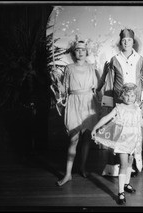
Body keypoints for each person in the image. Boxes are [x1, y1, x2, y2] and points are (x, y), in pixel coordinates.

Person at [97, 28, 143, 177]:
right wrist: (108, 105)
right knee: (118, 133)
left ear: (133, 42)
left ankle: (131, 166)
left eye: (129, 40)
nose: (126, 42)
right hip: (118, 102)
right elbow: (109, 83)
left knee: (135, 132)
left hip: (136, 102)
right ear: (120, 42)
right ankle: (115, 167)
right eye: (123, 40)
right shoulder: (115, 59)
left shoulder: (140, 59)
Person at [91, 83, 143, 205]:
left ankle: (126, 184)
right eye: (127, 95)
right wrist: (95, 128)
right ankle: (120, 192)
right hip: (123, 141)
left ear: (135, 97)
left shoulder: (137, 109)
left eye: (132, 96)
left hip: (134, 141)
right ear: (122, 96)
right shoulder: (119, 108)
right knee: (123, 165)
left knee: (130, 163)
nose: (129, 98)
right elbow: (106, 118)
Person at [56, 39, 100, 186]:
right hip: (74, 102)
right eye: (77, 49)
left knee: (86, 138)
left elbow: (96, 87)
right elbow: (65, 90)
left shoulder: (92, 68)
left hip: (88, 102)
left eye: (83, 49)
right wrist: (58, 84)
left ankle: (82, 167)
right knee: (73, 139)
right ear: (74, 52)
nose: (80, 52)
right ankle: (68, 174)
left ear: (86, 52)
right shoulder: (68, 68)